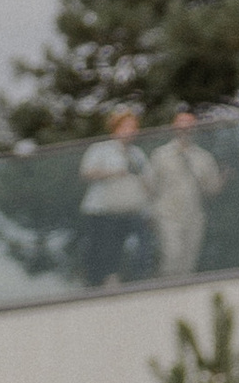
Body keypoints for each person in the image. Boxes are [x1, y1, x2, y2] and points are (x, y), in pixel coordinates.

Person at [76, 107, 152, 287]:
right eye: (126, 126)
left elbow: (147, 181)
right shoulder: (101, 149)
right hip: (102, 211)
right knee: (102, 253)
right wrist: (111, 173)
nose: (130, 131)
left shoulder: (137, 154)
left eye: (133, 127)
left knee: (134, 248)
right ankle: (103, 283)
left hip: (128, 210)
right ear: (115, 128)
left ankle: (136, 280)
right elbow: (85, 173)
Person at [145, 109, 225, 279]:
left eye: (189, 124)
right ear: (174, 127)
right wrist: (150, 213)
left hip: (193, 215)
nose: (185, 128)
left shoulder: (203, 157)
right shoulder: (161, 155)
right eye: (181, 124)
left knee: (188, 262)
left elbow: (211, 189)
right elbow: (149, 186)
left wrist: (222, 181)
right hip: (167, 213)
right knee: (171, 255)